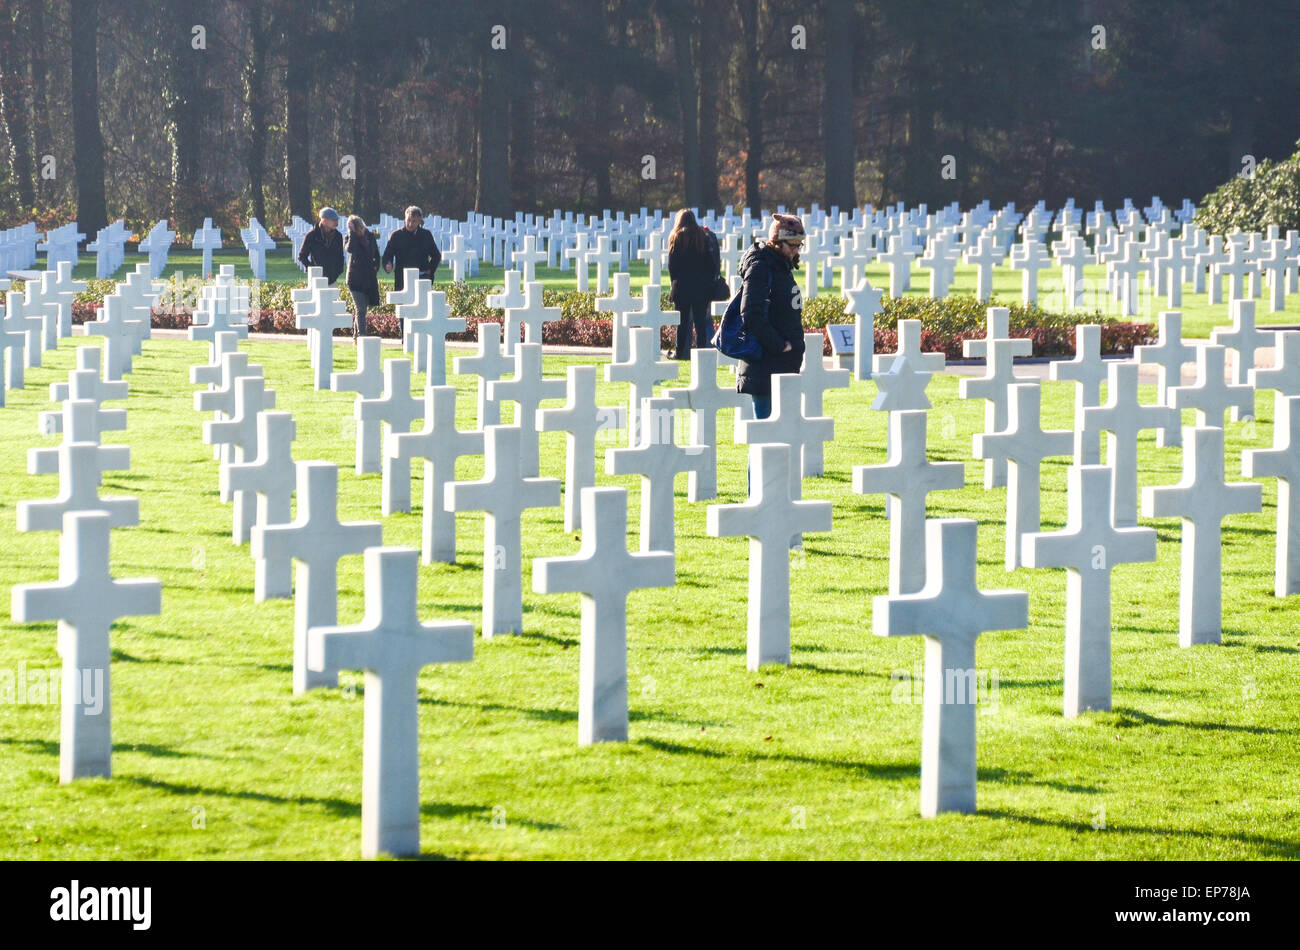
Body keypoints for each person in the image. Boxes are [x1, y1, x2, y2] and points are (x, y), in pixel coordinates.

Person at [736, 213, 806, 420]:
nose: (795, 251)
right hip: (765, 366)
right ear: (777, 242)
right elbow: (750, 313)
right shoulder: (760, 267)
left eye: (798, 246)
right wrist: (780, 345)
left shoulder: (780, 267)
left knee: (781, 440)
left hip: (782, 366)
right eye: (791, 245)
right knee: (766, 440)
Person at [666, 208, 719, 360]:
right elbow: (710, 263)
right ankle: (701, 352)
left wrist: (674, 282)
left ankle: (680, 352)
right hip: (701, 287)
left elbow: (672, 265)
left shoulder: (676, 237)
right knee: (700, 323)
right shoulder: (703, 236)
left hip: (682, 286)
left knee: (682, 323)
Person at [382, 205, 441, 293]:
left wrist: (430, 269)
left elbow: (436, 255)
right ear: (405, 219)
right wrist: (388, 264)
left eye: (414, 221)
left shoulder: (426, 235)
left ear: (419, 222)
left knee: (422, 305)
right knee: (403, 306)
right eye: (408, 220)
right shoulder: (396, 236)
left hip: (422, 277)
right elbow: (387, 255)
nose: (410, 224)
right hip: (402, 278)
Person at [344, 215, 381, 338]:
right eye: (358, 229)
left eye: (361, 228)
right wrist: (352, 234)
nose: (361, 230)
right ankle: (362, 336)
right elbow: (350, 249)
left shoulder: (370, 237)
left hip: (368, 278)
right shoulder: (349, 238)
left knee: (363, 309)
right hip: (354, 279)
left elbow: (376, 253)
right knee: (360, 309)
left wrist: (376, 265)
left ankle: (355, 336)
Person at [297, 207, 345, 285]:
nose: (336, 222)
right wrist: (313, 270)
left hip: (333, 278)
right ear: (324, 220)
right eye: (333, 220)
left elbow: (340, 256)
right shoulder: (312, 236)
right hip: (316, 278)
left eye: (337, 220)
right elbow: (302, 256)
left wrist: (338, 271)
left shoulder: (338, 236)